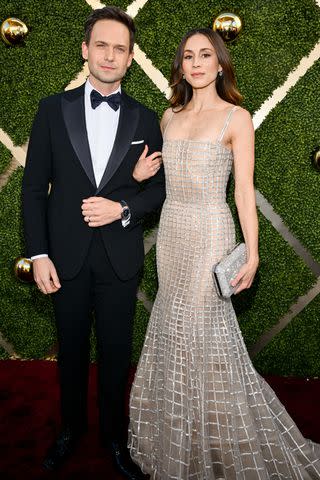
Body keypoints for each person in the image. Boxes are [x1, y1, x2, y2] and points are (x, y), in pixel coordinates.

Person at [128, 28, 320, 479]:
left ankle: (219, 441)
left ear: (220, 64)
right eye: (189, 56)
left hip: (210, 233)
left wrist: (252, 253)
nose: (196, 63)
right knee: (175, 332)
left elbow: (244, 193)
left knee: (205, 333)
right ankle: (179, 442)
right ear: (181, 65)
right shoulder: (168, 116)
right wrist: (139, 177)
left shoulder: (237, 118)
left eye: (205, 55)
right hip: (172, 234)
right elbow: (162, 185)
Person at [22, 6, 164, 479]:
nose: (109, 55)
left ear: (129, 59)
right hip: (64, 257)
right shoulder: (50, 110)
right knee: (72, 350)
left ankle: (115, 440)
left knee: (116, 353)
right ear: (85, 51)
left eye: (119, 48)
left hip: (120, 258)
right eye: (101, 45)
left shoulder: (145, 119)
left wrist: (124, 207)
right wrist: (38, 253)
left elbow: (159, 190)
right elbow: (33, 187)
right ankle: (70, 431)